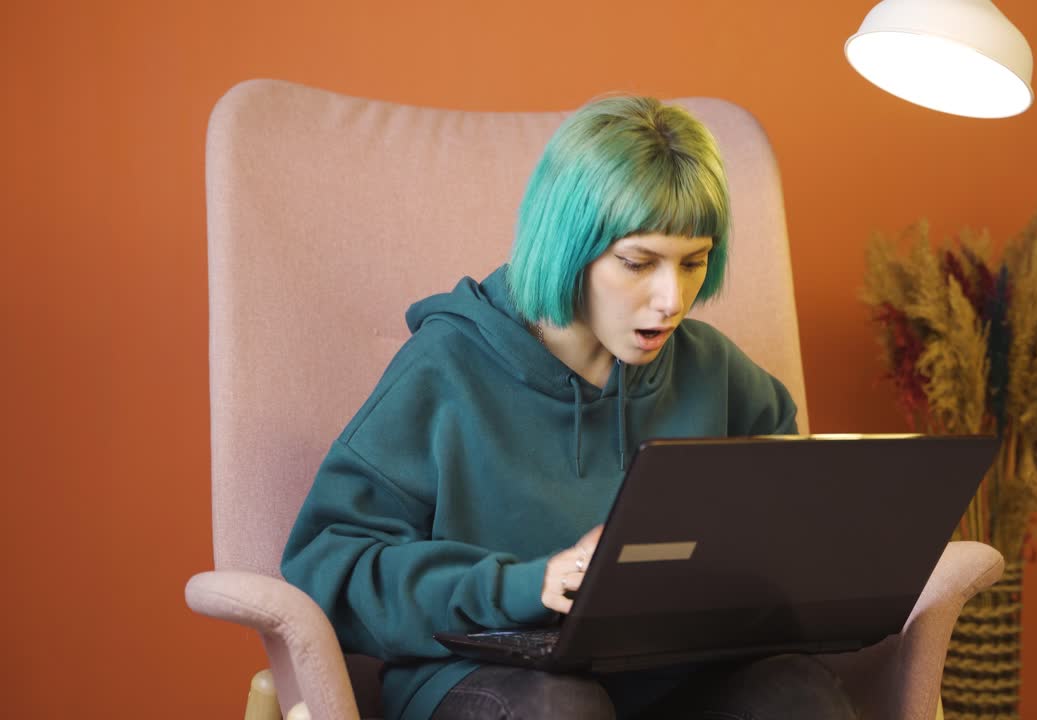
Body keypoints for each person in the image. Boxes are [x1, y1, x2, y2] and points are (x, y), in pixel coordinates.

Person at [281, 96, 856, 720]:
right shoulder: (444, 368)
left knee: (797, 697)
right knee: (562, 709)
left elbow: (791, 520)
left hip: (672, 673)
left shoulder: (715, 371)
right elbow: (329, 565)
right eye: (639, 262)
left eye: (694, 262)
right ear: (569, 246)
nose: (672, 299)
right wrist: (527, 584)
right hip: (488, 678)